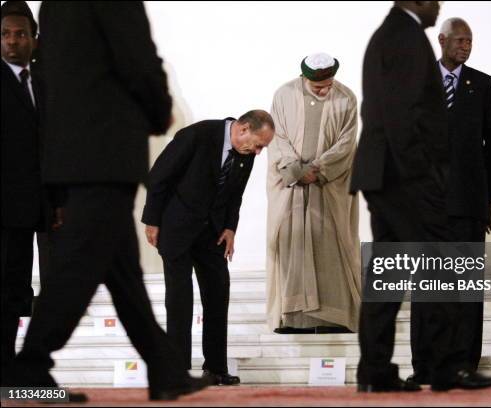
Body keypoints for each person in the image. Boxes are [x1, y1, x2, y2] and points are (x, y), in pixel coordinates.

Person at [8, 2, 209, 401]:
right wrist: (160, 110)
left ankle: (166, 370)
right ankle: (30, 364)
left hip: (74, 151)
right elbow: (136, 56)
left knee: (123, 274)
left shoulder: (53, 6)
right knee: (79, 266)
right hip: (104, 149)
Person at [350, 1, 491, 392]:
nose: (437, 6)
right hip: (406, 177)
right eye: (434, 0)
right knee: (442, 269)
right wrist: (424, 175)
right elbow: (402, 115)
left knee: (389, 275)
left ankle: (375, 370)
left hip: (385, 173)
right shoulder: (405, 38)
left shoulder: (391, 34)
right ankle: (445, 366)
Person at [142, 110, 275, 386]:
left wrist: (230, 228)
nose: (259, 152)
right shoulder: (197, 135)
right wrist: (152, 220)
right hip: (176, 228)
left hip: (212, 234)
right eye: (259, 144)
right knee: (180, 300)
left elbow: (235, 195)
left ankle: (215, 368)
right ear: (243, 129)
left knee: (217, 294)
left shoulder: (246, 154)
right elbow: (159, 176)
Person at [408, 17, 491, 380]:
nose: (466, 46)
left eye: (470, 41)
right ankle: (426, 366)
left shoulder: (482, 84)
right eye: (460, 40)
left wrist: (488, 201)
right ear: (443, 40)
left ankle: (464, 364)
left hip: (468, 205)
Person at [266, 53, 361, 335]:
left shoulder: (347, 98)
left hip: (328, 186)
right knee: (290, 243)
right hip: (290, 186)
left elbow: (347, 143)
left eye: (327, 85)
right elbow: (277, 137)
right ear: (304, 77)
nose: (323, 90)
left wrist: (318, 169)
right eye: (317, 86)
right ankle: (292, 318)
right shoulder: (283, 95)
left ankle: (333, 318)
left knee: (329, 244)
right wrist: (296, 170)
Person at [0, 0, 53, 384]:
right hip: (6, 208)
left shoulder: (49, 81)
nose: (12, 42)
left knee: (43, 292)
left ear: (35, 38)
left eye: (20, 34)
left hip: (47, 205)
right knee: (5, 290)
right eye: (4, 35)